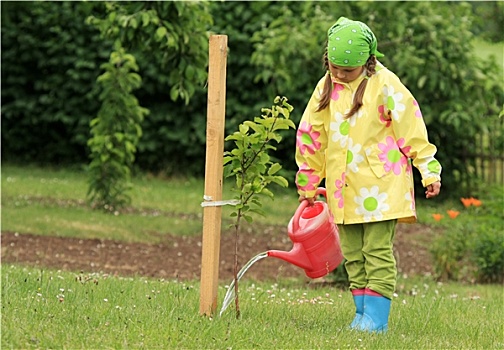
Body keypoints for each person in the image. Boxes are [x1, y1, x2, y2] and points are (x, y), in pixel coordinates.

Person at [295, 17, 441, 333]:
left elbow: (412, 130)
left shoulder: (386, 85)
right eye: (333, 67)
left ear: (368, 60)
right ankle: (362, 313)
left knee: (376, 251)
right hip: (342, 188)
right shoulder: (326, 87)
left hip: (381, 187)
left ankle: (377, 319)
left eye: (347, 70)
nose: (339, 74)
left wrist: (428, 170)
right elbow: (312, 134)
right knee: (352, 254)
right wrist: (308, 178)